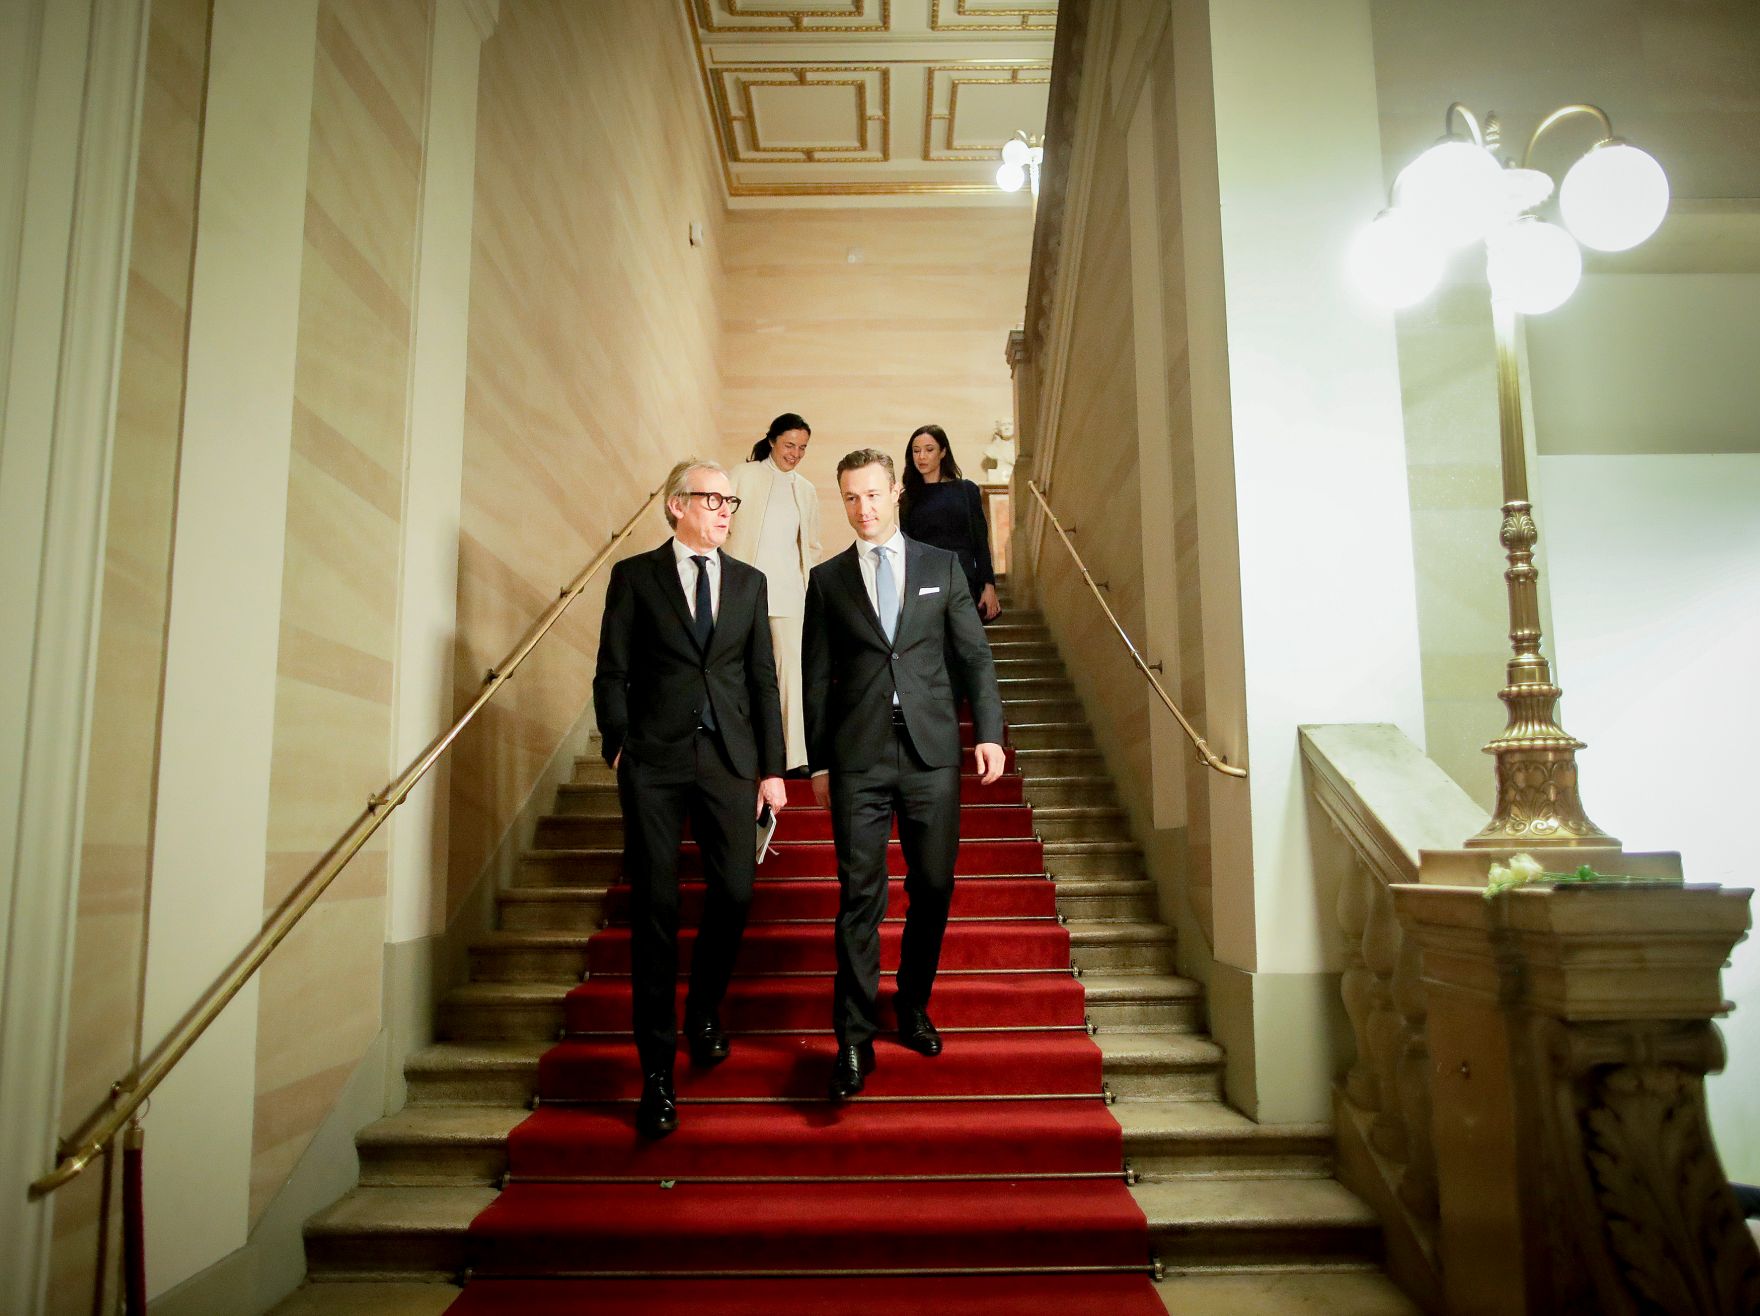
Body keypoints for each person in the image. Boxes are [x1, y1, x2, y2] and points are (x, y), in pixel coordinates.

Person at [593, 459, 789, 1139]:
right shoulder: (635, 577)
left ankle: (703, 1009)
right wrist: (618, 744)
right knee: (655, 908)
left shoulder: (749, 582)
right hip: (654, 760)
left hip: (730, 759)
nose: (725, 510)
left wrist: (772, 768)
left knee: (734, 891)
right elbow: (612, 669)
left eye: (731, 502)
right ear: (677, 505)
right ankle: (656, 1072)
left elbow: (762, 680)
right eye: (713, 499)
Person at [802, 448, 1006, 1100]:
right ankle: (853, 1039)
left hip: (930, 753)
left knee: (934, 885)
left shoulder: (941, 566)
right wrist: (817, 760)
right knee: (859, 897)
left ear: (895, 492)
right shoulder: (827, 580)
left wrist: (990, 733)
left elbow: (974, 657)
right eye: (850, 497)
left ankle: (913, 1002)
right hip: (858, 756)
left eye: (872, 494)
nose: (862, 508)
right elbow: (814, 679)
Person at [724, 413, 821, 775]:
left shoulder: (806, 490)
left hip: (789, 593)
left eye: (802, 447)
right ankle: (741, 752)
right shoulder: (742, 475)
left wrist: (809, 589)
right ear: (771, 441)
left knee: (790, 674)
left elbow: (812, 546)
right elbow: (723, 526)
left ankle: (794, 757)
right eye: (789, 445)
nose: (795, 453)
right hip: (742, 591)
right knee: (739, 669)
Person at [900, 424, 1002, 623]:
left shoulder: (966, 490)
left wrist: (988, 586)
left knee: (966, 638)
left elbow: (980, 542)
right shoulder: (908, 498)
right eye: (916, 451)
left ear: (943, 452)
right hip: (926, 583)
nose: (921, 456)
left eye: (929, 449)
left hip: (962, 578)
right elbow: (907, 547)